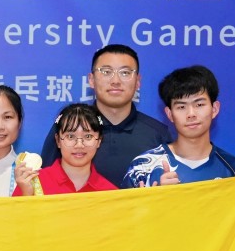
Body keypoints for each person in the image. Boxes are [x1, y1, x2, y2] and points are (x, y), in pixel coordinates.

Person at [39, 45, 170, 186]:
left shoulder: (157, 134)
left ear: (138, 81)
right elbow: (45, 186)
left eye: (125, 73)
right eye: (106, 72)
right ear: (91, 79)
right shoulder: (69, 127)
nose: (115, 81)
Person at [121, 65, 235, 188]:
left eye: (199, 105)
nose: (191, 114)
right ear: (169, 114)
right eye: (181, 107)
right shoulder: (142, 169)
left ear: (214, 109)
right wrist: (155, 196)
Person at [15, 103, 117, 196]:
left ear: (99, 141)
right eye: (70, 136)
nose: (79, 145)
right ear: (58, 140)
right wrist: (27, 194)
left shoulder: (111, 193)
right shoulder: (32, 183)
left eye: (88, 136)